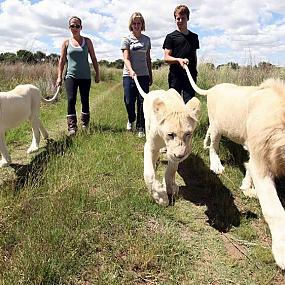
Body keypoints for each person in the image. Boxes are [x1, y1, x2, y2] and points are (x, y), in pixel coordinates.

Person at [56, 16, 100, 135]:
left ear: (81, 27)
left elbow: (94, 58)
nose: (74, 28)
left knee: (85, 99)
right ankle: (72, 127)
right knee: (71, 99)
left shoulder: (87, 41)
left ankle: (85, 123)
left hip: (85, 76)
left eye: (77, 26)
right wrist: (59, 76)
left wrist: (97, 73)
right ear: (69, 27)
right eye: (72, 26)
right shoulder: (66, 43)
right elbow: (62, 61)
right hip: (71, 76)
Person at [121, 12, 153, 138]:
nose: (136, 25)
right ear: (131, 24)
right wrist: (131, 70)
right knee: (129, 101)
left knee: (142, 102)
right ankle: (131, 118)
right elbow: (126, 58)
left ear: (142, 24)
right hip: (129, 75)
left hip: (143, 75)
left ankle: (141, 126)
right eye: (134, 23)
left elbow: (148, 58)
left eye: (139, 23)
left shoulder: (147, 40)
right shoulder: (126, 39)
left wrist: (150, 74)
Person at [163, 4, 199, 104]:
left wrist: (194, 72)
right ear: (175, 19)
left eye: (183, 18)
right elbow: (166, 58)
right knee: (174, 104)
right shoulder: (170, 37)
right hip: (175, 76)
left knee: (189, 103)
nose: (180, 21)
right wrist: (179, 60)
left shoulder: (194, 37)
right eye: (177, 18)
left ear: (187, 18)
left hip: (190, 75)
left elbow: (194, 56)